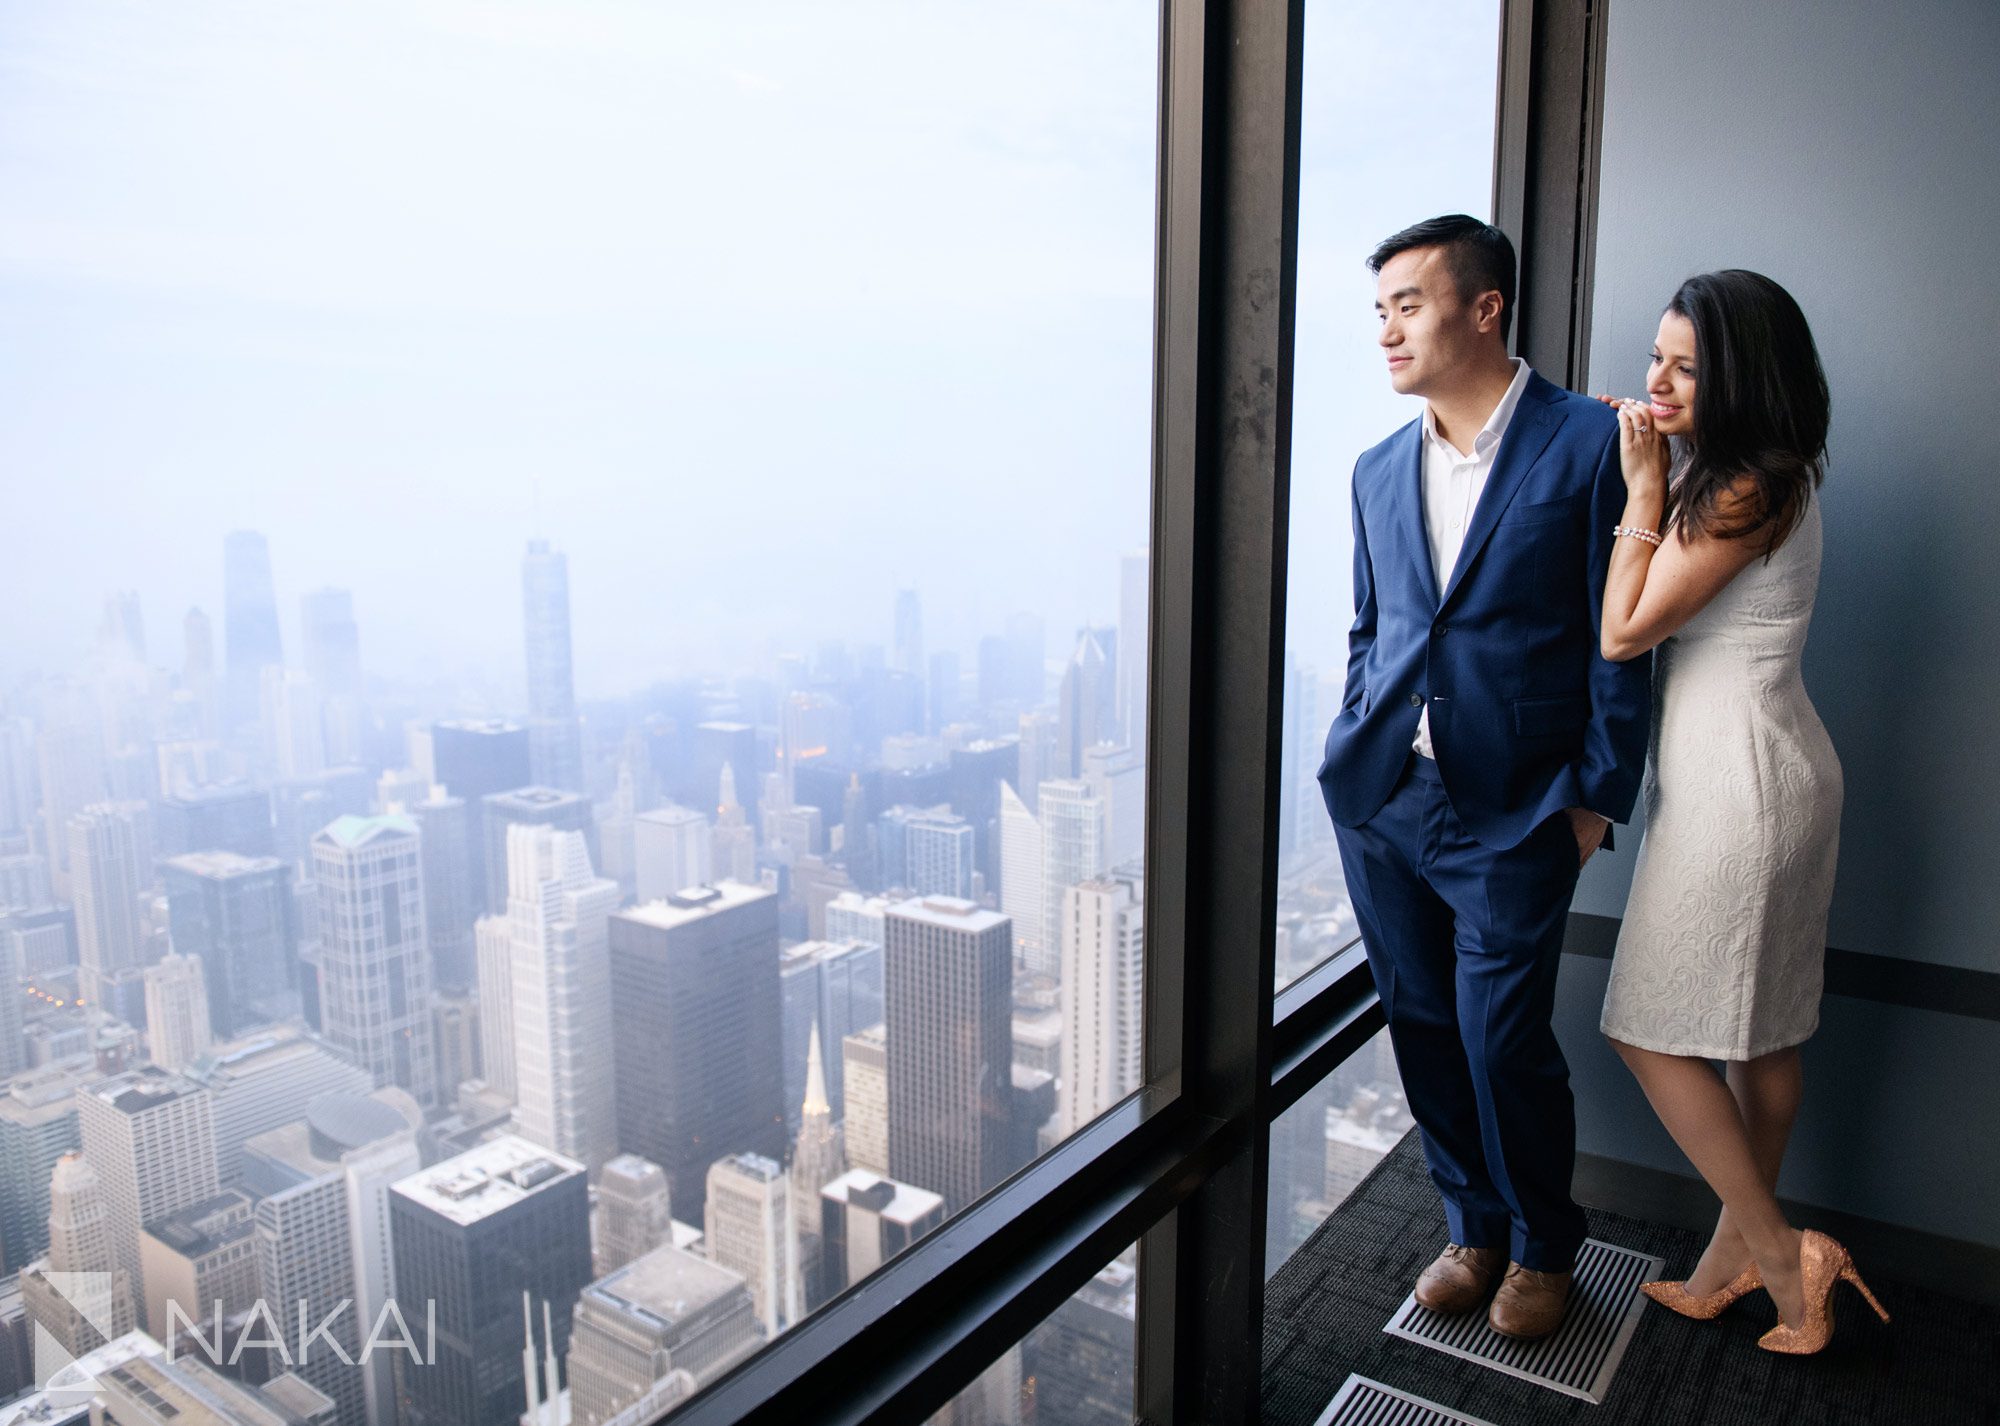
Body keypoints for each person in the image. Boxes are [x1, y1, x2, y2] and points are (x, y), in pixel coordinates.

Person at [1317, 215, 1650, 1340]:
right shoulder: (1372, 472)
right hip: (1385, 801)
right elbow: (1373, 629)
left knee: (1500, 1036)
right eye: (1379, 311)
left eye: (1406, 304)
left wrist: (1594, 800)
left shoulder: (1587, 443)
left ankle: (1547, 1245)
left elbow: (1622, 638)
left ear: (1483, 307)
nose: (1385, 332)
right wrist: (1355, 740)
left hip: (1518, 812)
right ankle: (1471, 1226)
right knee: (1417, 1021)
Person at [1595, 269, 1888, 1355]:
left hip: (1741, 794)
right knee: (1759, 1036)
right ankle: (1729, 1257)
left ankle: (1778, 1254)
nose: (1655, 381)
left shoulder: (1740, 488)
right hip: (1765, 773)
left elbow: (1622, 632)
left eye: (1684, 365)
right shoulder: (1754, 477)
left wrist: (1639, 490)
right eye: (1655, 357)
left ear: (1741, 378)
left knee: (1643, 1027)